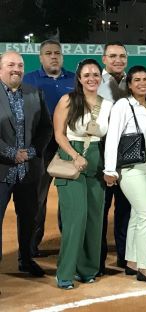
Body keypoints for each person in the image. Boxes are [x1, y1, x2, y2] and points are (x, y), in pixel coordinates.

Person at [52, 58, 113, 289]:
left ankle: (87, 269)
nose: (91, 78)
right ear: (79, 78)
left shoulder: (107, 105)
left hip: (97, 159)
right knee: (75, 218)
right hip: (72, 157)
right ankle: (65, 272)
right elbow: (59, 134)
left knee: (95, 219)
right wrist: (75, 156)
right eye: (86, 74)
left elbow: (110, 138)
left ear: (101, 77)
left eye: (95, 74)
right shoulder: (68, 100)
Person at [103, 65, 146, 284]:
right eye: (136, 79)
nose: (142, 83)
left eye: (145, 79)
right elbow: (112, 137)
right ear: (129, 84)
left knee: (138, 215)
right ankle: (144, 268)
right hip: (130, 168)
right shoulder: (123, 105)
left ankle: (131, 261)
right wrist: (110, 169)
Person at [0, 51, 52, 277]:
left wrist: (31, 151)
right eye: (11, 64)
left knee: (29, 216)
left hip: (29, 171)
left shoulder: (34, 92)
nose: (16, 69)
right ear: (0, 68)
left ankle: (26, 258)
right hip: (2, 169)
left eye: (20, 65)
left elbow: (46, 128)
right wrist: (11, 153)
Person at [23, 39, 75, 257]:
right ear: (40, 57)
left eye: (57, 53)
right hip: (41, 147)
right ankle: (32, 246)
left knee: (69, 196)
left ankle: (70, 243)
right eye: (48, 53)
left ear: (62, 56)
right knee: (38, 196)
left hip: (68, 145)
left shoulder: (74, 79)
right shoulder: (30, 80)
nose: (53, 56)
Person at [97, 42, 131, 273]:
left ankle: (124, 256)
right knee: (101, 210)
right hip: (101, 156)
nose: (118, 60)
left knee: (126, 211)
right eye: (113, 56)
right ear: (104, 59)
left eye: (122, 56)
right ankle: (97, 260)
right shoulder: (94, 82)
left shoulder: (133, 82)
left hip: (128, 157)